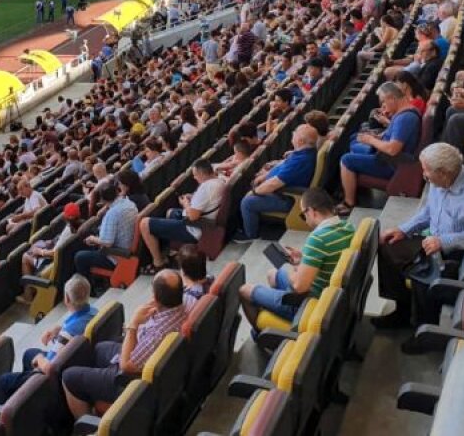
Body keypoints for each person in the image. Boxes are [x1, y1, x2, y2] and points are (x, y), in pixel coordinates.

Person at [373, 144, 464, 346]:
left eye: (426, 170)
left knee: (420, 273)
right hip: (433, 241)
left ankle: (424, 331)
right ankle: (402, 311)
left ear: (444, 172)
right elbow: (428, 212)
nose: (424, 175)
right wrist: (404, 229)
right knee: (388, 246)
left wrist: (445, 241)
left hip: (457, 253)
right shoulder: (438, 182)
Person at [62, 270, 187, 419]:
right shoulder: (178, 308)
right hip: (140, 353)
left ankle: (87, 425)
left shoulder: (158, 333)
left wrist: (133, 324)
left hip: (128, 379)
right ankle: (95, 393)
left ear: (156, 297)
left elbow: (126, 366)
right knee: (98, 348)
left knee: (68, 376)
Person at [239, 189, 355, 328]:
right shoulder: (347, 227)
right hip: (329, 292)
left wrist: (294, 268)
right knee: (272, 275)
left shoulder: (318, 239)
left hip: (310, 303)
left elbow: (299, 286)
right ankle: (278, 310)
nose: (305, 220)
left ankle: (262, 335)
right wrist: (303, 259)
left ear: (311, 211)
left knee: (244, 290)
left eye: (303, 214)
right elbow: (330, 256)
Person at [0, 275, 96, 402]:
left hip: (53, 375)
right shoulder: (93, 312)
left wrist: (39, 359)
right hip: (76, 360)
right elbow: (77, 322)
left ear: (66, 298)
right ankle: (27, 397)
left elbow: (49, 368)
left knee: (4, 381)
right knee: (28, 354)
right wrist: (58, 328)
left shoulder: (68, 334)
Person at [336, 82, 423, 214]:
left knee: (346, 159)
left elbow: (393, 149)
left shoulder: (405, 118)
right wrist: (378, 138)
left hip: (392, 164)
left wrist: (371, 140)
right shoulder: (404, 113)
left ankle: (349, 202)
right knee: (355, 140)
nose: (383, 105)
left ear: (391, 98)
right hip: (387, 158)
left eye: (384, 101)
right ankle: (352, 188)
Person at [234, 124, 321, 242]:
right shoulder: (303, 152)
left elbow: (273, 184)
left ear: (300, 141)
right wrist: (265, 176)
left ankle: (251, 235)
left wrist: (253, 192)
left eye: (294, 132)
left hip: (287, 197)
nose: (292, 134)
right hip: (280, 190)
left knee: (247, 202)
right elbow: (283, 166)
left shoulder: (300, 161)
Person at [138, 159, 225, 272]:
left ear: (202, 174)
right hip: (201, 220)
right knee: (170, 212)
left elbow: (193, 216)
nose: (194, 178)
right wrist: (192, 198)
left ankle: (158, 263)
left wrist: (186, 203)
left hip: (195, 228)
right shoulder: (219, 181)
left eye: (195, 175)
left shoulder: (206, 188)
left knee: (144, 224)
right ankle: (174, 252)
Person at [75, 181, 137, 281]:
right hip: (126, 243)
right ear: (117, 192)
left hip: (117, 255)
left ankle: (90, 289)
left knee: (79, 257)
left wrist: (92, 239)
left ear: (103, 200)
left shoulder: (112, 214)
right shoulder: (129, 203)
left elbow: (107, 243)